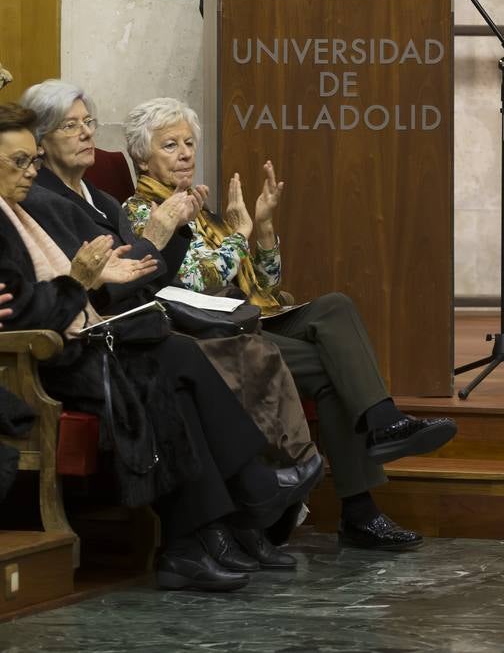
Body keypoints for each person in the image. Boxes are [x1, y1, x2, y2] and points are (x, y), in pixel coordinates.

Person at [0, 103, 322, 591]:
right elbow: (24, 315)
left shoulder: (29, 209)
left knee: (175, 358)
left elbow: (96, 280)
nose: (30, 172)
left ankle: (205, 536)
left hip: (83, 336)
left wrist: (95, 281)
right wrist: (81, 282)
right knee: (168, 367)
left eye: (31, 161)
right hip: (44, 359)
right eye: (18, 162)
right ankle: (235, 508)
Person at [123, 97, 458, 553]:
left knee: (335, 306)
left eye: (188, 143)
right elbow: (201, 279)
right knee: (333, 371)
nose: (185, 153)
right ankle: (363, 499)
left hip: (252, 316)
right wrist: (239, 236)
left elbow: (264, 282)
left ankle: (380, 434)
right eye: (170, 145)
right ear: (142, 157)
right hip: (213, 335)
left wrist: (261, 229)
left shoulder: (197, 208)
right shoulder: (143, 212)